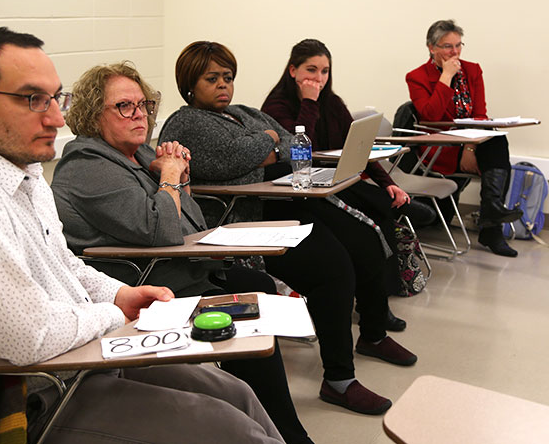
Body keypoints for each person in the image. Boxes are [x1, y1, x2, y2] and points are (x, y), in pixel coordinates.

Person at [0, 27, 284, 444]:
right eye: (33, 100)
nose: (57, 118)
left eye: (54, 98)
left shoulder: (21, 171)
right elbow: (28, 339)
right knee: (231, 430)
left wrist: (119, 294)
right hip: (24, 390)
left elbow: (62, 263)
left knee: (237, 394)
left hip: (75, 356)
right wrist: (119, 314)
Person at [51, 62, 313, 444]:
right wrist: (169, 176)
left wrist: (178, 177)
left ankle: (274, 423)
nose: (139, 113)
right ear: (93, 114)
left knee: (257, 288)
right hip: (143, 287)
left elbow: (190, 222)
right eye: (124, 106)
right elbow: (162, 231)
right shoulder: (87, 166)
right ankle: (283, 430)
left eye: (143, 104)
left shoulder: (136, 155)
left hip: (177, 272)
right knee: (255, 304)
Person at [160, 41, 418, 416]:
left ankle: (372, 336)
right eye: (211, 78)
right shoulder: (186, 122)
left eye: (227, 77)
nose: (222, 85)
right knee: (334, 269)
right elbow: (235, 159)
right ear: (189, 84)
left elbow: (296, 141)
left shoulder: (242, 112)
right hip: (245, 218)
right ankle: (340, 380)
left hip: (287, 197)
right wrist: (266, 145)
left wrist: (268, 146)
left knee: (364, 240)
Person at [261, 38, 430, 305]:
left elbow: (357, 147)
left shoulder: (333, 102)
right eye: (311, 70)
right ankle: (398, 210)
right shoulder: (276, 106)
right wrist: (309, 103)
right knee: (366, 224)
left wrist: (387, 182)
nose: (319, 78)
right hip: (301, 190)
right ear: (292, 71)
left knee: (381, 214)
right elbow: (298, 147)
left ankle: (382, 292)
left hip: (333, 179)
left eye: (325, 71)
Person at [406, 19, 522, 257]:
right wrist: (446, 77)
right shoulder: (416, 77)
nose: (455, 52)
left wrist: (470, 147)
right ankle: (492, 227)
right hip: (441, 147)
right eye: (447, 46)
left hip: (470, 143)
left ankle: (491, 219)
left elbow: (480, 115)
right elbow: (430, 117)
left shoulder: (473, 70)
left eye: (458, 45)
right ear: (431, 47)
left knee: (498, 140)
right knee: (495, 152)